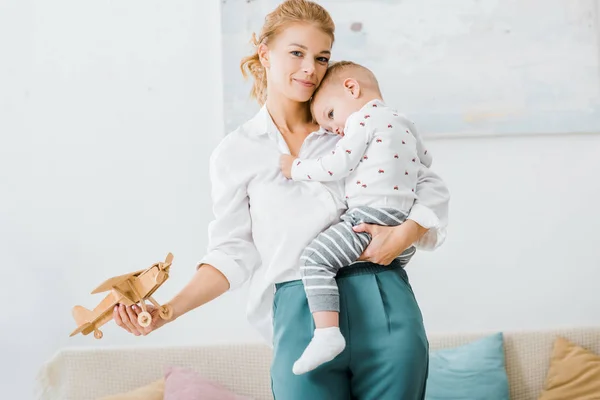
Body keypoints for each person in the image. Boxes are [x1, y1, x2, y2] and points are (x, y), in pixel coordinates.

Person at [113, 1, 450, 398]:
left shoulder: (352, 123)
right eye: (296, 53)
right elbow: (231, 253)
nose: (310, 68)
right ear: (264, 52)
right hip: (300, 312)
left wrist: (407, 233)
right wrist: (166, 312)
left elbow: (427, 184)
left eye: (321, 57)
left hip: (382, 296)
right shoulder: (236, 152)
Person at [279, 60, 430, 375]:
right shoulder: (405, 121)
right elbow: (424, 162)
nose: (334, 129)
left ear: (352, 88)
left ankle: (326, 334)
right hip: (399, 223)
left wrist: (295, 168)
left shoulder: (363, 120)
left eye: (331, 115)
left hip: (368, 215)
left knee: (314, 259)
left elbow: (336, 165)